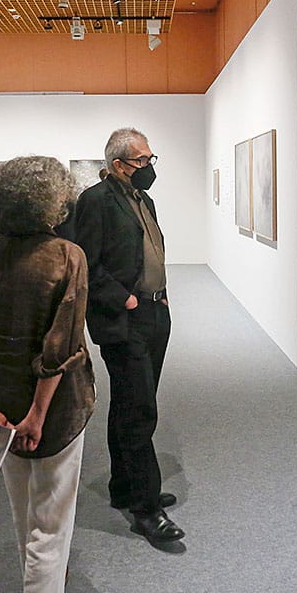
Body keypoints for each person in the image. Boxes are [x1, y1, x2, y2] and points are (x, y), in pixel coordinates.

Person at [0, 156, 94, 593]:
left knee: (23, 516)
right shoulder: (67, 256)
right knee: (50, 525)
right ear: (54, 201)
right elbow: (61, 350)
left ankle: (39, 590)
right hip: (55, 411)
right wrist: (37, 414)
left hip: (3, 407)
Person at [73, 127, 184, 544]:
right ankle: (145, 508)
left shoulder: (143, 199)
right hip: (125, 319)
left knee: (131, 401)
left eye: (151, 160)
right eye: (142, 161)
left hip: (155, 313)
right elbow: (87, 262)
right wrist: (126, 300)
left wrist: (162, 296)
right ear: (118, 165)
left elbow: (149, 251)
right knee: (139, 410)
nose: (148, 168)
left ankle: (126, 486)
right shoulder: (95, 202)